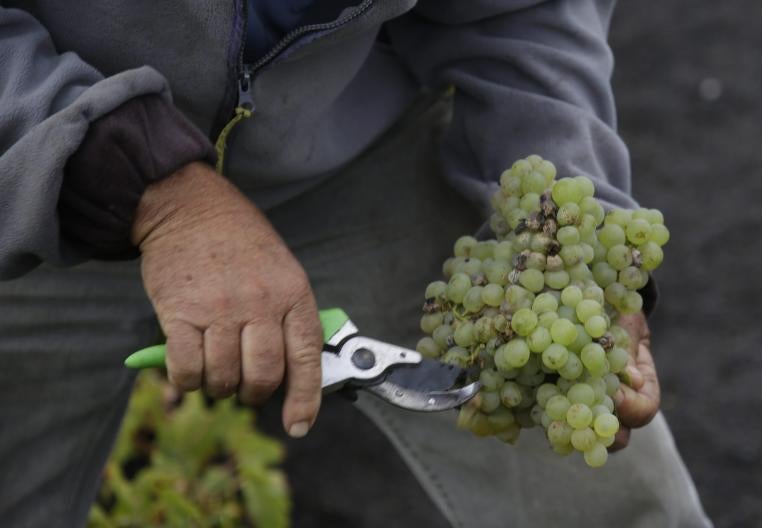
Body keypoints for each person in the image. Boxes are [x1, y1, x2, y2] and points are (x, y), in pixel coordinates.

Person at [0, 1, 712, 526]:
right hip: (28, 160)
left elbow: (524, 12)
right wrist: (155, 191)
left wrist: (569, 229)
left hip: (340, 163)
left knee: (612, 510)